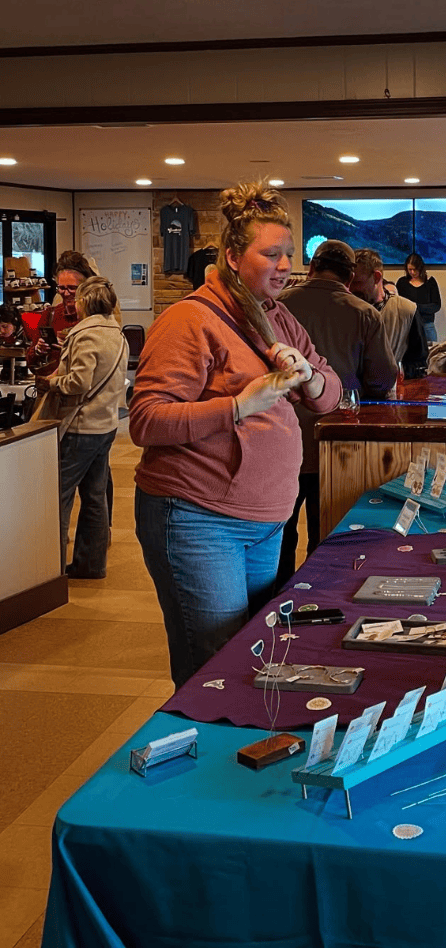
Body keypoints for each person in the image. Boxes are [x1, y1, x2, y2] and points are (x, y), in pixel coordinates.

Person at [130, 182, 341, 689]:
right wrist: (238, 406)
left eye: (290, 253)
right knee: (214, 668)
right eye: (271, 254)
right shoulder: (189, 320)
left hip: (265, 521)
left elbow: (331, 393)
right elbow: (146, 419)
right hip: (199, 520)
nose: (285, 264)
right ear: (231, 256)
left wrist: (309, 377)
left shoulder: (278, 317)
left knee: (254, 660)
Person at [276, 240, 397, 587]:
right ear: (349, 278)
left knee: (276, 542)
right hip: (335, 444)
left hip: (279, 441)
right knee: (325, 538)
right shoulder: (363, 313)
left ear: (311, 268)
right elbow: (382, 379)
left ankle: (271, 611)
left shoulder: (277, 307)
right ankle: (313, 606)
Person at [35, 276, 128, 579]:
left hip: (81, 427)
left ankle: (49, 572)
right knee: (95, 497)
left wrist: (50, 382)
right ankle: (91, 564)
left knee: (59, 497)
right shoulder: (118, 333)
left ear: (86, 301)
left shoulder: (86, 334)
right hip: (106, 424)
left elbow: (78, 382)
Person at [351, 248, 428, 378]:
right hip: (350, 395)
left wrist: (397, 372)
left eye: (357, 282)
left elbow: (419, 364)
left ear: (377, 277)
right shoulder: (345, 309)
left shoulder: (407, 311)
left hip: (391, 394)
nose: (351, 288)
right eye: (348, 282)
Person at [26, 251, 97, 376]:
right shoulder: (50, 315)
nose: (66, 293)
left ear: (85, 287)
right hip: (53, 390)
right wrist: (38, 350)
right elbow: (31, 364)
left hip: (82, 390)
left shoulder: (94, 317)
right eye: (61, 288)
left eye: (72, 288)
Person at [396, 252, 441, 342]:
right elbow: (397, 304)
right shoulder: (402, 283)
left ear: (420, 268)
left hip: (427, 326)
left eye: (415, 269)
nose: (412, 272)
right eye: (409, 270)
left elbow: (436, 305)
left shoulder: (430, 282)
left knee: (432, 354)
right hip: (407, 326)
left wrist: (416, 307)